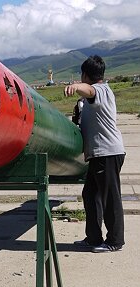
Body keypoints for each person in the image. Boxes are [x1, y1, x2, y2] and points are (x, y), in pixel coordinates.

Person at [64, 55, 125, 253]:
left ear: (85, 75)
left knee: (109, 198)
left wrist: (75, 86)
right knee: (90, 195)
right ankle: (93, 238)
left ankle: (115, 241)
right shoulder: (94, 97)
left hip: (106, 153)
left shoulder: (100, 90)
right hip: (99, 155)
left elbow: (89, 90)